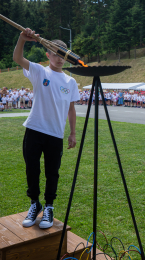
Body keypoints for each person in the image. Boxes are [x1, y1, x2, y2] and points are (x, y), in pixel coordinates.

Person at [13, 28, 80, 229]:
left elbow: (71, 109)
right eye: (56, 54)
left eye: (63, 55)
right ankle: (35, 204)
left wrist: (73, 133)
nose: (60, 59)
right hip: (34, 130)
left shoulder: (71, 81)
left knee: (53, 173)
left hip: (55, 135)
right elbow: (18, 58)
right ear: (48, 54)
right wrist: (22, 39)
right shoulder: (40, 71)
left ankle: (49, 207)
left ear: (67, 58)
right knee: (32, 170)